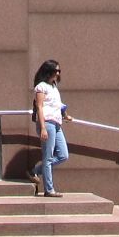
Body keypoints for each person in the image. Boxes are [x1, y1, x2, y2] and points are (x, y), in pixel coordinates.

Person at [30, 59, 68, 197]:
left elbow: (57, 104)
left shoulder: (54, 86)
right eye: (55, 71)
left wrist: (66, 115)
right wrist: (43, 127)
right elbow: (40, 107)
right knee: (48, 157)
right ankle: (49, 189)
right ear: (48, 71)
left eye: (59, 71)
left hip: (57, 124)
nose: (57, 73)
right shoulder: (41, 87)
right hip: (47, 123)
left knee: (63, 155)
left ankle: (35, 170)